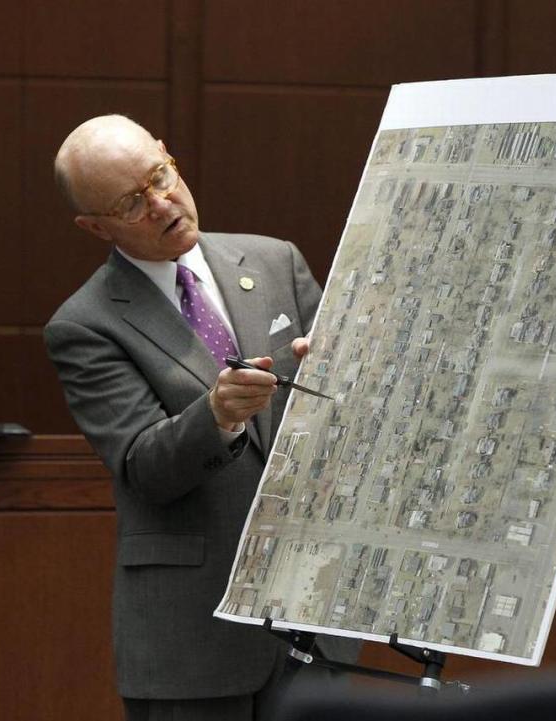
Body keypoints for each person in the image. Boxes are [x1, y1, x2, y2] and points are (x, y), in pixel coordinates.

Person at [45, 115, 349, 720]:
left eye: (159, 177)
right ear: (94, 227)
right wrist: (216, 416)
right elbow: (144, 469)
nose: (161, 205)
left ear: (168, 155)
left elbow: (346, 414)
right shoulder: (84, 324)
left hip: (311, 614)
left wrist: (344, 369)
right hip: (191, 633)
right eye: (132, 203)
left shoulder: (275, 262)